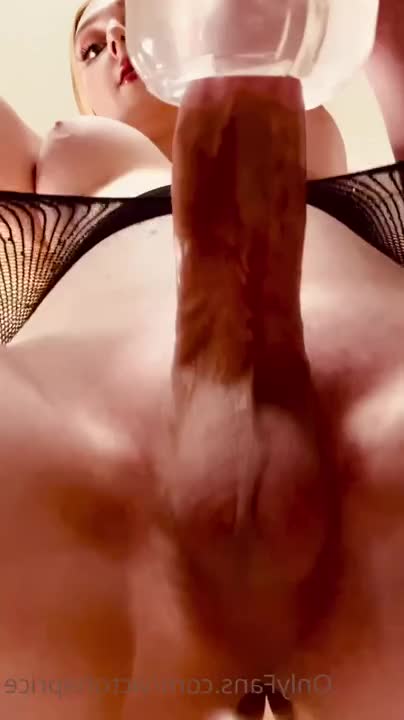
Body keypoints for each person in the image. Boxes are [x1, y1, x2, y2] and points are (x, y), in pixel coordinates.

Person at [1, 2, 404, 720]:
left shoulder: (316, 108)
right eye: (91, 48)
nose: (115, 41)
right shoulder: (51, 163)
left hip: (85, 427)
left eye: (129, 19)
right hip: (368, 375)